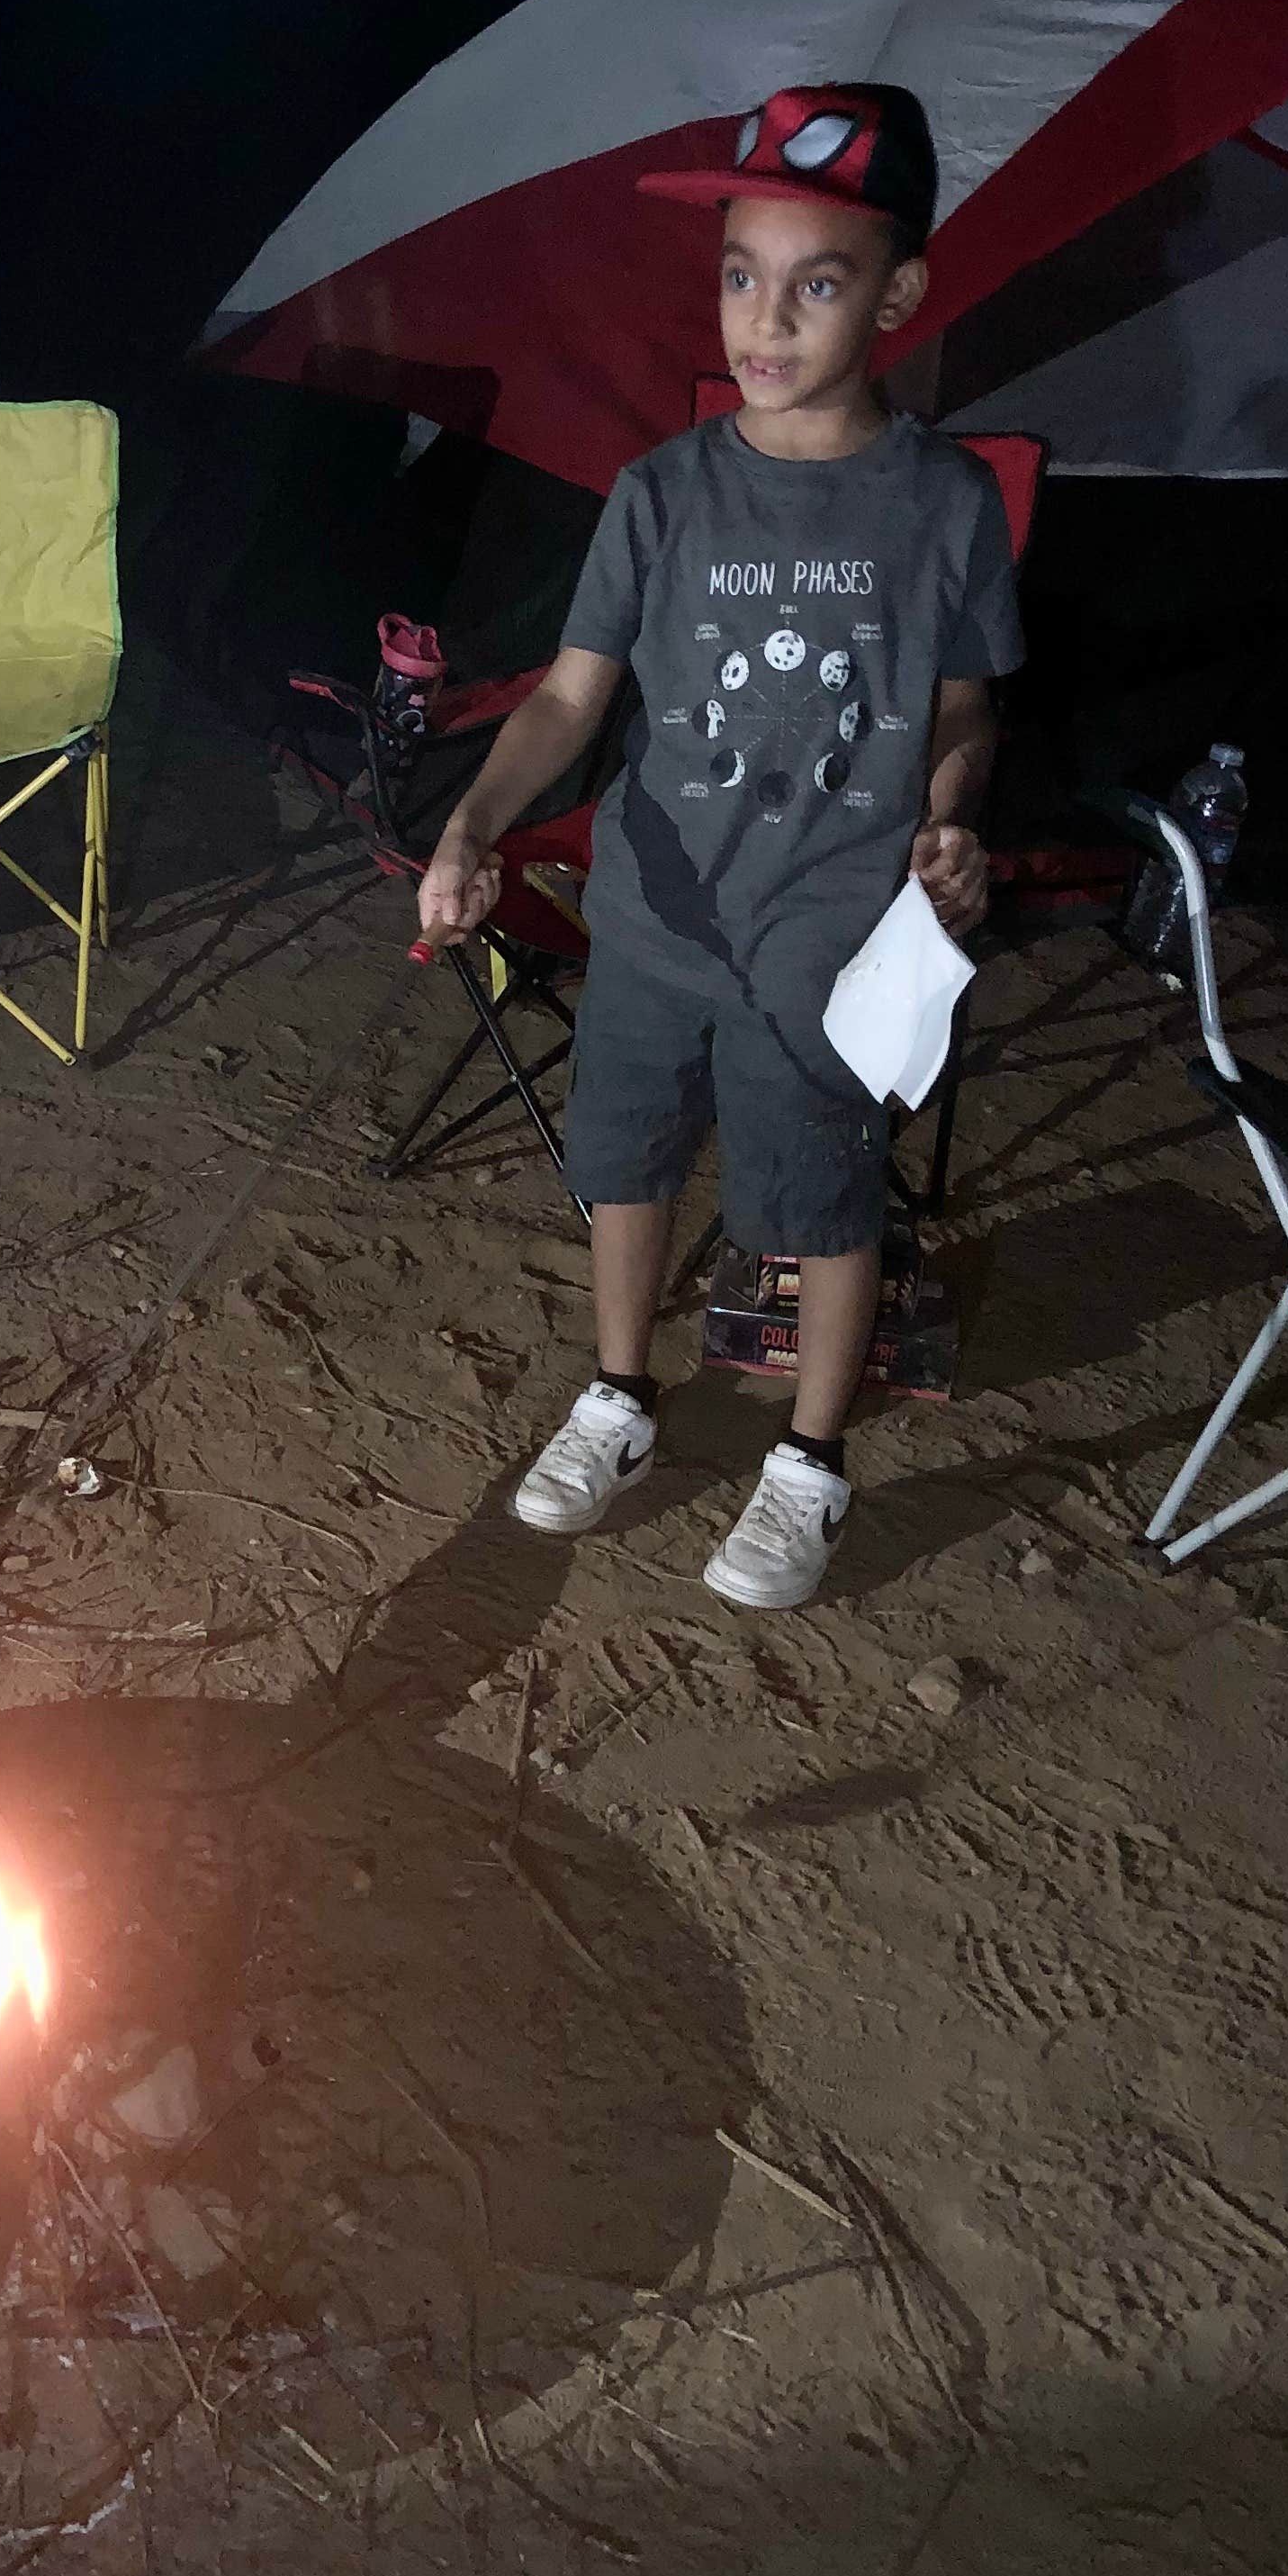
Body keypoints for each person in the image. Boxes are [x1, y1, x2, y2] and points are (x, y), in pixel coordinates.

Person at [416, 82, 1022, 1608]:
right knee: (624, 1154)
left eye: (817, 284)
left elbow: (966, 704)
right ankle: (620, 1393)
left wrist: (950, 816)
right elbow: (571, 699)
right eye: (743, 275)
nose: (767, 318)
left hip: (828, 916)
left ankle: (811, 1460)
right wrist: (475, 822)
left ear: (897, 295)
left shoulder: (946, 503)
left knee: (820, 1184)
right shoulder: (663, 492)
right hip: (657, 903)